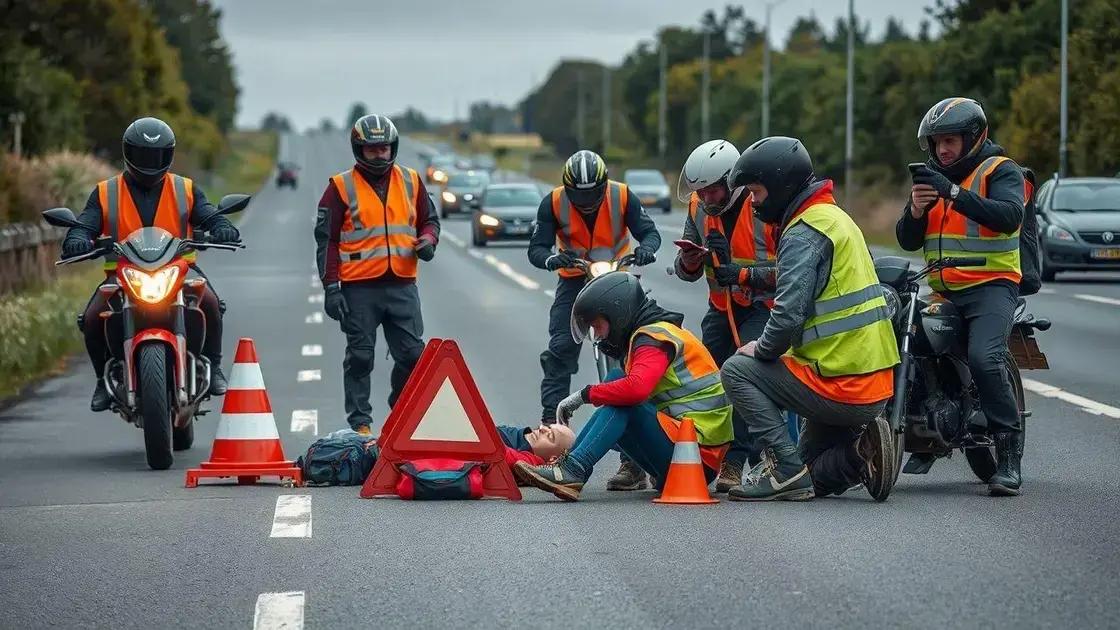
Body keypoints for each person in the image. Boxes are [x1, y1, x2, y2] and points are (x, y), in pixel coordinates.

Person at [718, 137, 899, 501]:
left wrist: (763, 350)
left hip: (839, 382)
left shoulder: (803, 232)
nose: (753, 203)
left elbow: (786, 316)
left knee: (736, 369)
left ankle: (782, 470)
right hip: (873, 382)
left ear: (782, 187)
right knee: (810, 475)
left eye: (756, 192)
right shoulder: (834, 218)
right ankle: (858, 453)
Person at [61, 117, 240, 411]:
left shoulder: (185, 189)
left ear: (168, 155)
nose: (150, 161)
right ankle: (100, 381)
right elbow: (85, 223)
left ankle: (215, 367)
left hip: (179, 269)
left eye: (156, 155)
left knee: (210, 302)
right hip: (121, 273)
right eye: (143, 154)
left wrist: (222, 226)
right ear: (128, 153)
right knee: (92, 317)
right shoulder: (106, 192)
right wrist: (77, 238)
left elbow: (208, 214)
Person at [896, 97, 1027, 496]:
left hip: (991, 287)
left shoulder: (1000, 170)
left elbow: (1009, 217)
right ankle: (924, 423)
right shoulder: (933, 178)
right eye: (936, 144)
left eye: (950, 141)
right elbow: (906, 239)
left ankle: (1008, 458)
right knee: (905, 342)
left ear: (973, 137)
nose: (942, 150)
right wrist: (916, 212)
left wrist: (952, 192)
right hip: (943, 290)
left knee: (985, 358)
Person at [513, 272, 733, 502]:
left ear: (618, 314)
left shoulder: (654, 338)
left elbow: (637, 390)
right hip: (685, 451)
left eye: (597, 325)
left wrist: (583, 395)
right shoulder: (646, 335)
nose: (597, 335)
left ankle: (572, 470)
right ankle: (568, 465)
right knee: (616, 378)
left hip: (695, 459)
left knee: (625, 405)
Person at [526, 150, 662, 491]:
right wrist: (553, 259)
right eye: (579, 196)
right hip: (574, 279)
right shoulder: (553, 202)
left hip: (617, 282)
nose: (586, 202)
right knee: (560, 348)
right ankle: (548, 430)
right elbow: (536, 249)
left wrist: (646, 249)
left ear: (603, 186)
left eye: (592, 195)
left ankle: (631, 464)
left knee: (628, 361)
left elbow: (651, 233)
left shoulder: (622, 196)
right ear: (568, 190)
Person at [314, 114, 440, 436]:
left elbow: (430, 221)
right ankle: (361, 425)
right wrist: (331, 288)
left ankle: (399, 411)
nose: (380, 155)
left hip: (402, 285)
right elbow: (327, 240)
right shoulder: (339, 188)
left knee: (414, 356)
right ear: (359, 149)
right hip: (359, 289)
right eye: (372, 150)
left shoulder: (411, 180)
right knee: (360, 356)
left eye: (384, 149)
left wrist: (428, 240)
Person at [674, 139, 778, 492]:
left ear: (732, 182)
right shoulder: (697, 208)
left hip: (762, 307)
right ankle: (703, 451)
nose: (706, 199)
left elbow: (790, 268)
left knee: (742, 374)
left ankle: (734, 461)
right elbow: (686, 270)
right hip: (721, 309)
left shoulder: (763, 203)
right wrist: (689, 260)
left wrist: (739, 272)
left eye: (713, 191)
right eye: (701, 193)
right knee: (706, 377)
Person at [497, 423, 576, 468]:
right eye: (548, 427)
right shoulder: (512, 432)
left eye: (550, 436)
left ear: (553, 460)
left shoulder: (525, 463)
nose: (542, 427)